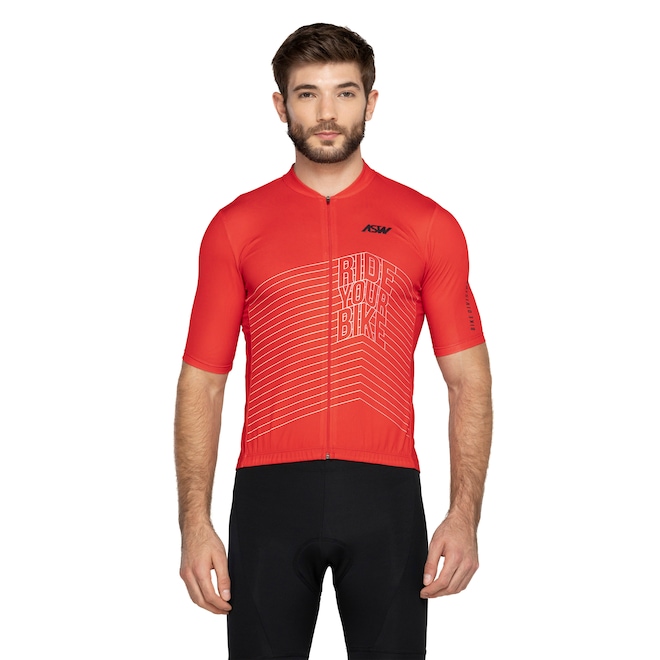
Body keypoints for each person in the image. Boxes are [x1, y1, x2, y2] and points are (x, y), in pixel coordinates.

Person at [175, 23, 492, 660]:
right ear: (280, 105)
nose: (326, 112)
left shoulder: (428, 224)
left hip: (385, 499)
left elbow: (469, 381)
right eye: (307, 94)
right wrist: (194, 523)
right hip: (269, 499)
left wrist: (464, 516)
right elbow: (203, 382)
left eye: (344, 93)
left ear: (370, 102)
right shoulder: (235, 226)